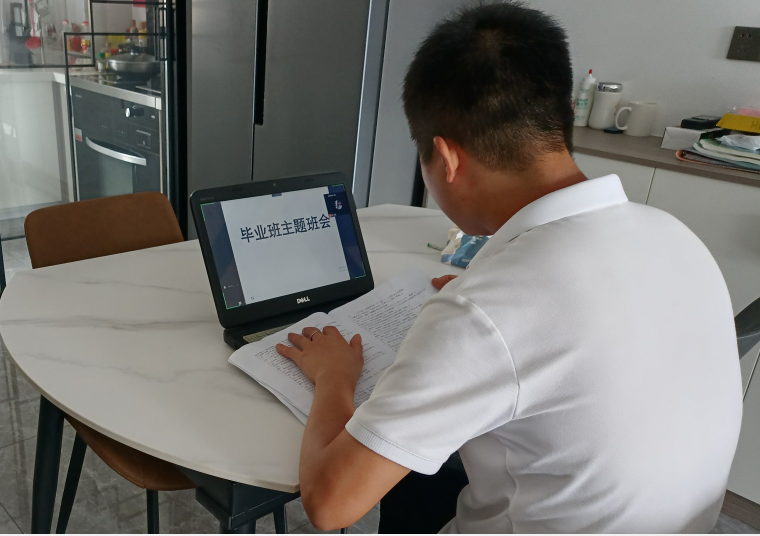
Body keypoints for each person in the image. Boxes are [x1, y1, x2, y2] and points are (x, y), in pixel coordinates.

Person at [275, 2, 743, 532]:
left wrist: (334, 376)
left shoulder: (487, 311)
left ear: (446, 159)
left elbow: (329, 505)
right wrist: (485, 308)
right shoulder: (672, 233)